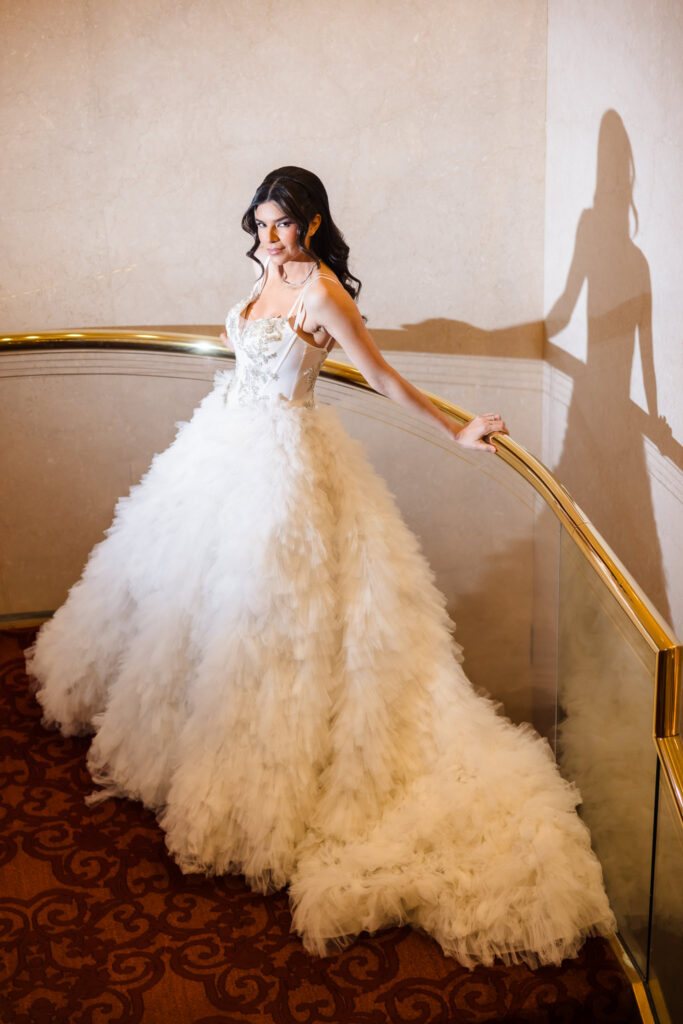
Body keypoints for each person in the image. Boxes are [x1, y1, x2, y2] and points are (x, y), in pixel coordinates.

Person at [26, 166, 615, 969]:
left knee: (268, 618)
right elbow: (247, 344)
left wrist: (456, 429)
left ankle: (258, 781)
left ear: (310, 224)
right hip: (220, 445)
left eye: (283, 226)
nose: (269, 239)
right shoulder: (264, 272)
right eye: (261, 224)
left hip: (284, 466)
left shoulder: (325, 294)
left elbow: (379, 375)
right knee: (187, 599)